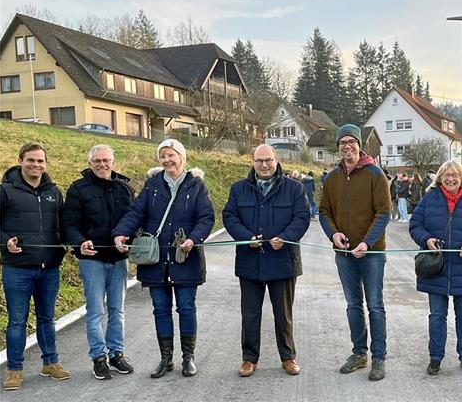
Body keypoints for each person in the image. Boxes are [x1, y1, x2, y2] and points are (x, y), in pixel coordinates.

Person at [113, 139, 214, 379]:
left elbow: (206, 217)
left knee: (187, 309)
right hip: (156, 261)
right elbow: (136, 213)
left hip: (185, 258)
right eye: (163, 156)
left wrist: (194, 238)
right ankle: (166, 359)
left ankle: (188, 358)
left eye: (171, 155)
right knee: (160, 310)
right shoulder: (152, 186)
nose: (167, 160)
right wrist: (120, 233)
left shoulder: (196, 185)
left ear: (182, 156)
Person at [223, 144, 310, 378]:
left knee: (284, 314)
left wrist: (287, 237)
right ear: (252, 162)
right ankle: (249, 359)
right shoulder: (238, 189)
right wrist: (245, 238)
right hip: (249, 262)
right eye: (259, 161)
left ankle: (288, 357)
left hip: (283, 261)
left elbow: (302, 218)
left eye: (268, 160)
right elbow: (229, 216)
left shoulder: (294, 189)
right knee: (250, 314)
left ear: (276, 160)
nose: (264, 165)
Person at [319, 123, 391, 381]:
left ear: (360, 145)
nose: (347, 146)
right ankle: (359, 353)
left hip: (370, 254)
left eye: (352, 142)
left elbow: (383, 213)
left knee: (375, 305)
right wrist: (333, 234)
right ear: (338, 147)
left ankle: (379, 357)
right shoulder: (332, 178)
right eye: (342, 143)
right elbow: (324, 212)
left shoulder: (375, 174)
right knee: (353, 305)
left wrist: (367, 243)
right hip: (344, 254)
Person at [409, 160, 462, 375]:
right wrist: (426, 239)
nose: (450, 178)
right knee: (437, 315)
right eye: (446, 174)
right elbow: (415, 225)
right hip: (436, 267)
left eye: (455, 174)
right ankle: (435, 357)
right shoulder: (430, 198)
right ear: (439, 178)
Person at [62, 144, 135, 380]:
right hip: (91, 259)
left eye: (106, 160)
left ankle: (116, 353)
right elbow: (69, 224)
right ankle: (98, 357)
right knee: (95, 311)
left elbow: (134, 220)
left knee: (117, 310)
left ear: (113, 162)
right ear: (90, 163)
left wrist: (130, 240)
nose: (102, 165)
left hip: (119, 259)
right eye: (97, 161)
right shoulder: (78, 189)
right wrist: (79, 242)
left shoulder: (125, 188)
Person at [0, 142, 69, 391]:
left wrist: (68, 244)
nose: (36, 165)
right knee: (17, 321)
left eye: (40, 161)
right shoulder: (5, 191)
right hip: (17, 268)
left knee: (47, 318)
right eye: (31, 160)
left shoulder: (54, 192)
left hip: (49, 268)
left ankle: (50, 362)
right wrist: (4, 242)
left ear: (45, 164)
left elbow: (63, 225)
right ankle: (15, 369)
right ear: (20, 161)